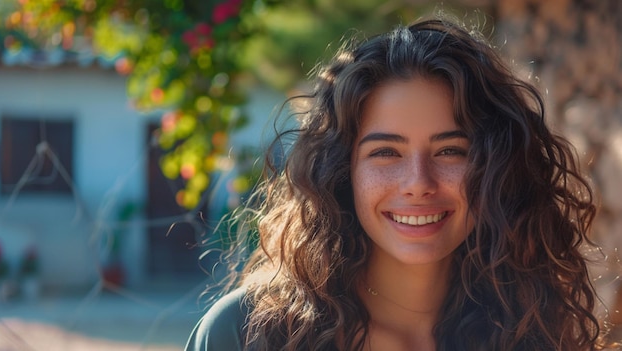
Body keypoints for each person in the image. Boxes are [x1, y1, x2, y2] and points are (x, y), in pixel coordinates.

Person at [185, 17, 610, 351]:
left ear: (497, 167)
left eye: (451, 151)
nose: (418, 183)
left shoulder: (531, 333)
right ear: (341, 171)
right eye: (386, 152)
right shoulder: (247, 335)